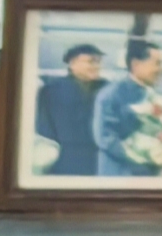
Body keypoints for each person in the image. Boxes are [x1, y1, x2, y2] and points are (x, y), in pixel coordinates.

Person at [93, 42, 162, 174]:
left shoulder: (155, 95)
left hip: (148, 176)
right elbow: (105, 138)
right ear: (136, 64)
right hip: (120, 176)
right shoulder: (112, 95)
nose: (161, 70)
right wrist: (145, 154)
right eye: (157, 64)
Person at [33, 41, 107, 177]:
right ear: (73, 63)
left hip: (99, 158)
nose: (96, 66)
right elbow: (43, 124)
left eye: (98, 62)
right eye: (91, 61)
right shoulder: (51, 90)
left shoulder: (108, 90)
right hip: (64, 158)